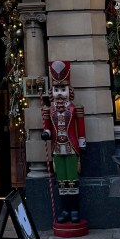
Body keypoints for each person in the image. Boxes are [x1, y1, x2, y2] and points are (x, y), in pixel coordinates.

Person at [41, 59, 86, 224]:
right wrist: (45, 134)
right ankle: (65, 210)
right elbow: (46, 127)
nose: (60, 93)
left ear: (69, 90)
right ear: (51, 91)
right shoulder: (49, 110)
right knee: (61, 181)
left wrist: (82, 142)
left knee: (72, 180)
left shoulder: (75, 108)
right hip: (57, 150)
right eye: (56, 89)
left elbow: (80, 128)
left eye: (63, 89)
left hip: (71, 148)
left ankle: (75, 210)